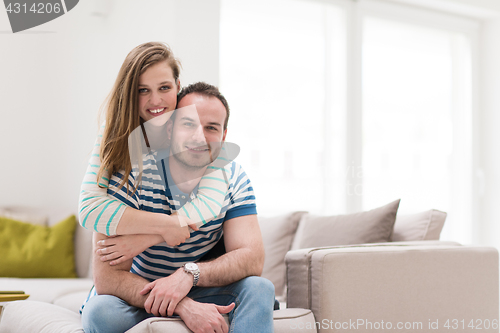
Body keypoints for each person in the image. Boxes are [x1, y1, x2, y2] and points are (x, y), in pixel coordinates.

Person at [81, 82, 275, 333]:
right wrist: (181, 305)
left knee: (260, 289)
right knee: (101, 313)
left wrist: (187, 275)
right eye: (188, 124)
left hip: (199, 288)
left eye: (212, 128)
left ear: (224, 137)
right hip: (140, 295)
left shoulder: (233, 178)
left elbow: (251, 258)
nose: (199, 136)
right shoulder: (132, 174)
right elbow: (108, 278)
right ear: (170, 128)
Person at [78, 42, 231, 248]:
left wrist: (143, 240)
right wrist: (166, 225)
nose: (156, 100)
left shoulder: (193, 131)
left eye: (164, 88)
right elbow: (89, 208)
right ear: (130, 93)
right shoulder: (115, 132)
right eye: (143, 90)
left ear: (178, 86)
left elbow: (209, 202)